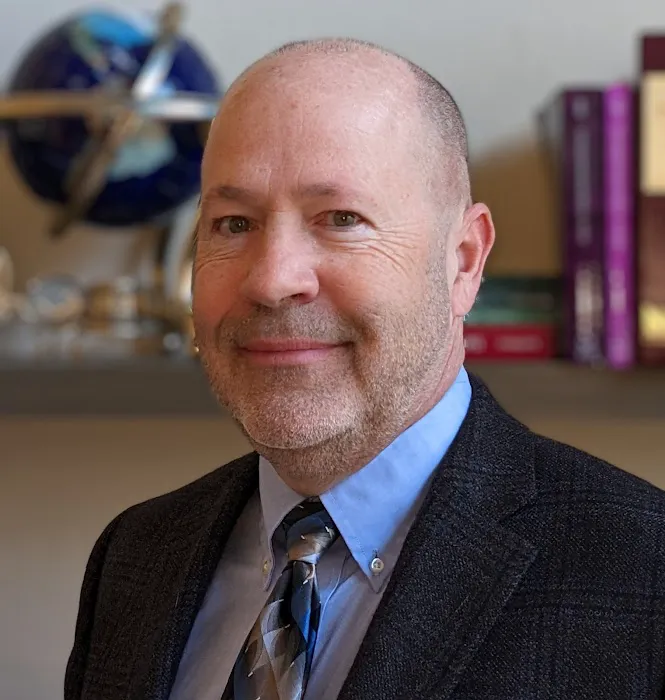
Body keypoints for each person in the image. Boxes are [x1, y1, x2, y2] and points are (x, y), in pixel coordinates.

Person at [65, 38, 665, 700]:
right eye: (233, 224)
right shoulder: (136, 555)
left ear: (464, 260)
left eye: (341, 219)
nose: (272, 280)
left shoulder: (645, 572)